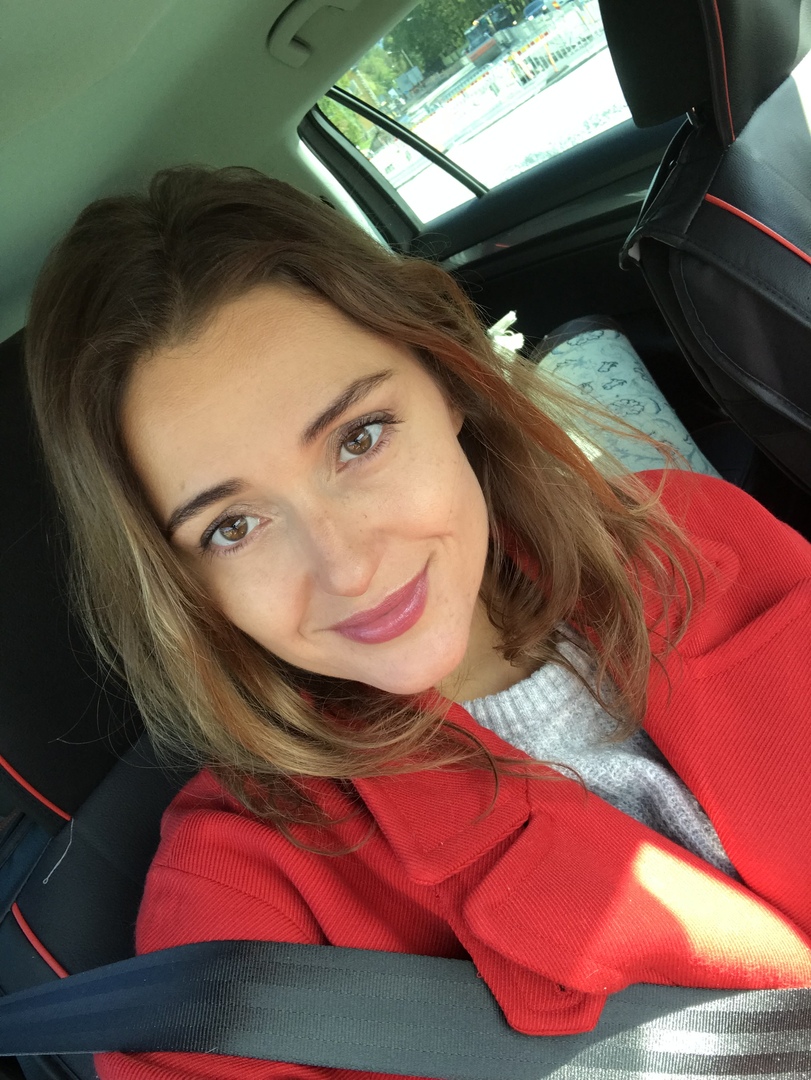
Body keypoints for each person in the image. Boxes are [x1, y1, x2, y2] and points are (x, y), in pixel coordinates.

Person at [24, 166, 811, 1080]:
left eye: (358, 438)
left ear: (447, 380)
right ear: (182, 582)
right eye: (232, 527)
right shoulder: (249, 909)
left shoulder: (692, 530)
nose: (347, 566)